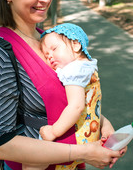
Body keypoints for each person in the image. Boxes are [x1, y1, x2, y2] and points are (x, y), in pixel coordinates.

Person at [0, 0, 126, 170]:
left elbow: (67, 97)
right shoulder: (0, 52)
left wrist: (103, 123)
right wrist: (84, 152)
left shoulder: (48, 41)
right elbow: (3, 144)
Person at [38, 23, 101, 170]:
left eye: (54, 49)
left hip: (76, 140)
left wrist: (53, 131)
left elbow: (76, 106)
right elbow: (90, 103)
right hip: (90, 135)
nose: (50, 56)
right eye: (47, 55)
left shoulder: (73, 70)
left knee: (33, 163)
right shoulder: (87, 67)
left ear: (76, 45)